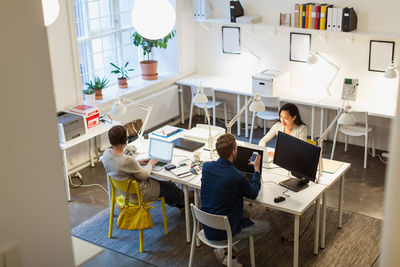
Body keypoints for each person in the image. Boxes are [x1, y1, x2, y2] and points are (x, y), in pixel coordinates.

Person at [201, 133, 270, 267]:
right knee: (265, 226)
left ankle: (227, 253)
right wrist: (256, 170)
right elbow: (253, 193)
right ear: (234, 152)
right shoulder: (237, 176)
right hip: (223, 231)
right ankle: (230, 253)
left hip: (207, 225)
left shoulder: (207, 167)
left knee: (246, 214)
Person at [101, 125, 184, 209]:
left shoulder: (106, 154)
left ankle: (177, 203)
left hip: (125, 193)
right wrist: (150, 164)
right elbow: (144, 175)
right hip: (139, 194)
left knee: (165, 187)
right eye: (127, 136)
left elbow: (120, 165)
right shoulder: (128, 160)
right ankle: (182, 203)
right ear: (124, 140)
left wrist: (137, 162)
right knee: (169, 187)